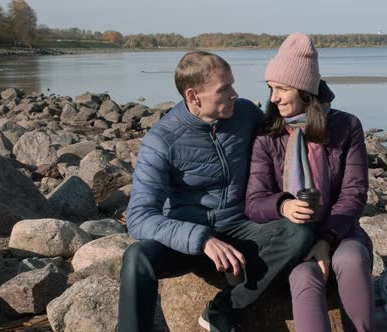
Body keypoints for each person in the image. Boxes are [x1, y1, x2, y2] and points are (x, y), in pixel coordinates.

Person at [117, 50, 317, 332]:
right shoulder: (161, 140)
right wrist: (201, 239)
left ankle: (224, 307)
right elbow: (138, 218)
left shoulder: (245, 114)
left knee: (301, 231)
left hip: (242, 229)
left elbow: (290, 121)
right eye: (225, 89)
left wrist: (314, 91)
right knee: (137, 257)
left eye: (233, 85)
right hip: (188, 240)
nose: (235, 94)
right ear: (193, 96)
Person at [245, 33, 374, 332]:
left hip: (340, 230)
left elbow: (354, 193)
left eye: (281, 88)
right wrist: (284, 205)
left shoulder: (347, 125)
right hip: (291, 238)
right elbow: (254, 201)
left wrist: (326, 239)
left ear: (305, 90)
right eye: (270, 88)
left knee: (352, 260)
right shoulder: (268, 135)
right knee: (304, 276)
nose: (273, 97)